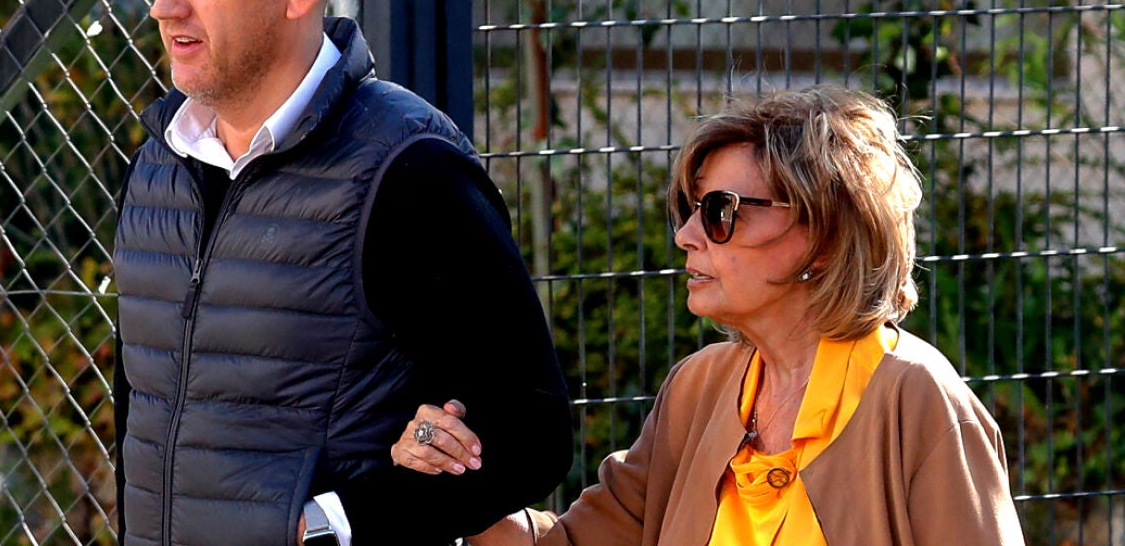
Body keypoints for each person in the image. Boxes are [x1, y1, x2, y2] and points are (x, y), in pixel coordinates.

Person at [111, 0, 571, 546]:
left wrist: (336, 524)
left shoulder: (410, 170)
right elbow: (143, 413)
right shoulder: (159, 163)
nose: (164, 4)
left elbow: (528, 431)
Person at [393, 86, 1026, 545]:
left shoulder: (916, 399)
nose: (687, 236)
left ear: (825, 234)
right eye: (691, 210)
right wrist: (450, 469)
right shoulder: (700, 388)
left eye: (722, 212)